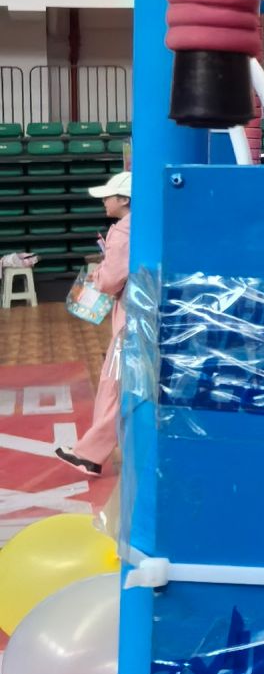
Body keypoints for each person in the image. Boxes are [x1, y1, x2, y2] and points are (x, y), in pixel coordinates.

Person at [55, 170, 130, 482]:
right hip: (134, 318)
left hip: (130, 322)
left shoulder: (123, 233)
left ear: (124, 200)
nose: (104, 201)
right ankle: (90, 453)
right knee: (114, 383)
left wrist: (98, 275)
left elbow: (111, 280)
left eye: (108, 196)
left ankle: (90, 455)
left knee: (115, 385)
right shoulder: (137, 226)